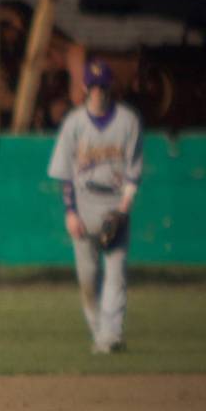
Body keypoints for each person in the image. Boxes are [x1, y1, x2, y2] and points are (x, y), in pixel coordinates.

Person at [47, 58, 143, 354]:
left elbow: (133, 171)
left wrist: (124, 208)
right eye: (94, 85)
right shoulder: (75, 124)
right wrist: (70, 213)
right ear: (85, 87)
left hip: (114, 205)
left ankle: (111, 336)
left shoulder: (128, 121)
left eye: (103, 86)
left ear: (109, 87)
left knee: (116, 274)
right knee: (88, 279)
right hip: (84, 206)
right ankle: (99, 332)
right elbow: (64, 173)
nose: (98, 91)